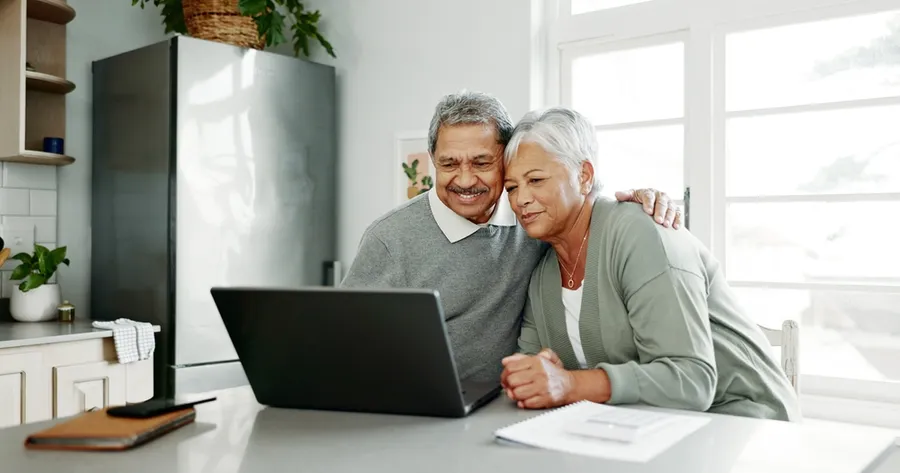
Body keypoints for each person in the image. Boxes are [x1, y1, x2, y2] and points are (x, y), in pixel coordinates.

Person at [341, 91, 682, 384]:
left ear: (506, 159)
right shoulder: (390, 240)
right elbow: (343, 344)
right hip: (419, 407)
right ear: (433, 161)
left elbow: (576, 197)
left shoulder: (532, 219)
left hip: (504, 402)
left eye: (481, 162)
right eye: (448, 164)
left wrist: (644, 198)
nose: (465, 179)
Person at [499, 107, 801, 421]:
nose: (521, 199)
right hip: (645, 425)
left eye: (535, 180)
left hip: (743, 423)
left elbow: (691, 381)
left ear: (584, 176)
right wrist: (525, 379)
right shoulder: (543, 272)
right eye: (512, 187)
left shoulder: (639, 232)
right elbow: (532, 366)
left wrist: (571, 384)